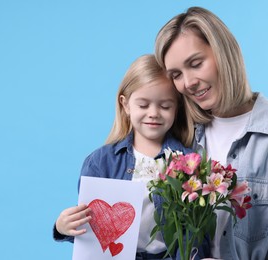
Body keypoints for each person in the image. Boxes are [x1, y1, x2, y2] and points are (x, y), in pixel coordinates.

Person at [154, 6, 268, 260]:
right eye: (177, 75)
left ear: (224, 53)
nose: (188, 82)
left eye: (196, 64)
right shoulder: (180, 137)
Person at [53, 54, 210, 259]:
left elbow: (195, 230)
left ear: (177, 107)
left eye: (164, 106)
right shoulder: (101, 162)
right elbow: (92, 230)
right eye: (143, 105)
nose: (153, 113)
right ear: (125, 105)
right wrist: (62, 227)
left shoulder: (188, 163)